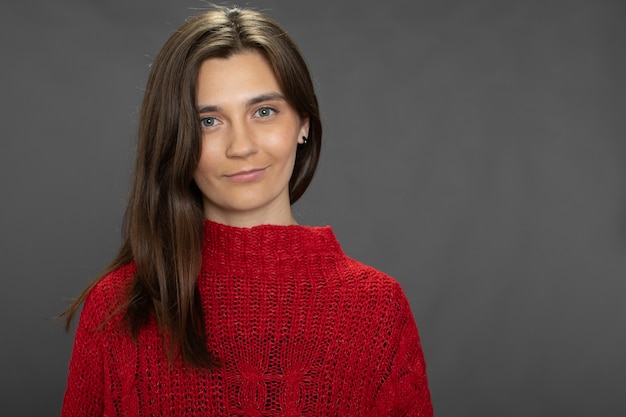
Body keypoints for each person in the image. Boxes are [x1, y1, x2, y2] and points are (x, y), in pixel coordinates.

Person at [61, 5, 433, 416]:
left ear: (303, 123)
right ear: (174, 138)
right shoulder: (118, 309)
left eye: (264, 112)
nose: (242, 146)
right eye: (208, 121)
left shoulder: (377, 309)